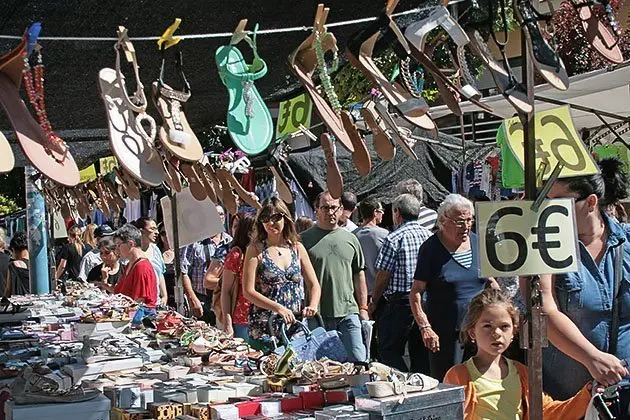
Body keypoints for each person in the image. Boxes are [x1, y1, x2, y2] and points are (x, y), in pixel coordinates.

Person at [534, 157, 630, 400]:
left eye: (557, 201)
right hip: (567, 398)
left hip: (623, 392)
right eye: (545, 200)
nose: (548, 208)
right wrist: (592, 357)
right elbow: (543, 310)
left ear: (590, 202)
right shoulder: (543, 243)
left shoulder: (626, 241)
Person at [444, 289, 595, 419]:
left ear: (513, 333)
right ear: (472, 332)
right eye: (487, 326)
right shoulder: (458, 375)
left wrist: (587, 394)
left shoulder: (521, 373)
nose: (496, 333)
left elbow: (547, 412)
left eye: (504, 327)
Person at [410, 194, 496, 380]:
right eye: (459, 222)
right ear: (443, 220)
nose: (465, 227)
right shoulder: (430, 249)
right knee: (451, 382)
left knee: (483, 380)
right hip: (446, 333)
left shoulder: (477, 242)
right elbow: (416, 291)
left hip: (481, 328)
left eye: (469, 220)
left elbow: (490, 281)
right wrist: (425, 327)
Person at [242, 197, 321, 349]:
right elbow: (248, 291)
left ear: (285, 218)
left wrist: (313, 305)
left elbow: (314, 284)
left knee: (299, 370)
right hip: (266, 327)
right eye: (265, 218)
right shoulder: (256, 249)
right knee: (267, 370)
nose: (271, 223)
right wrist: (278, 308)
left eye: (276, 217)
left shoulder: (297, 248)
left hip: (295, 326)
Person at [301, 191, 368, 362]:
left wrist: (363, 308)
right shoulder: (303, 240)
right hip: (316, 314)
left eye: (333, 207)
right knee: (318, 368)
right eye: (325, 208)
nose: (330, 212)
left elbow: (359, 274)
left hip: (348, 312)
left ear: (340, 210)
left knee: (359, 361)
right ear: (316, 210)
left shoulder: (351, 239)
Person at [371, 194, 432, 372]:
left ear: (397, 212)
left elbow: (383, 275)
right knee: (420, 350)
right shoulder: (429, 235)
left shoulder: (394, 238)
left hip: (400, 302)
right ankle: (420, 385)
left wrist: (374, 300)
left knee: (387, 348)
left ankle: (403, 381)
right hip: (425, 300)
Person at [181, 204, 232, 323]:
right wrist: (193, 299)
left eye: (221, 214)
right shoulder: (195, 242)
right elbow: (183, 272)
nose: (218, 217)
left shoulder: (230, 242)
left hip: (222, 300)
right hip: (201, 300)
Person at [221, 212, 256, 339]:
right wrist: (228, 323)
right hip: (242, 321)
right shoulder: (236, 256)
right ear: (249, 233)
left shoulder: (263, 253)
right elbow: (226, 291)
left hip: (263, 320)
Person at [111, 224, 157, 306]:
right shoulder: (130, 264)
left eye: (118, 245)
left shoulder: (141, 267)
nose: (116, 249)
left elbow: (138, 302)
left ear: (130, 244)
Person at [353, 196, 388, 297]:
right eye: (381, 210)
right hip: (380, 292)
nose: (383, 213)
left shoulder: (352, 235)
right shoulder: (385, 235)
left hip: (358, 292)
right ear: (374, 212)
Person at [135, 217, 168, 306]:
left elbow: (160, 273)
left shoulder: (156, 250)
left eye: (156, 229)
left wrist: (164, 295)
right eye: (152, 229)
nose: (157, 232)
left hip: (155, 301)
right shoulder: (133, 251)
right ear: (141, 231)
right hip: (136, 302)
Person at [156, 223, 176, 308]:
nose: (166, 236)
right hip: (161, 295)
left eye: (169, 232)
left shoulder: (181, 252)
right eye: (163, 233)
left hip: (177, 295)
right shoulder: (156, 252)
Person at [4, 232, 29, 297]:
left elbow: (8, 290)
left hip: (21, 304)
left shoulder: (14, 265)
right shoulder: (38, 266)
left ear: (14, 250)